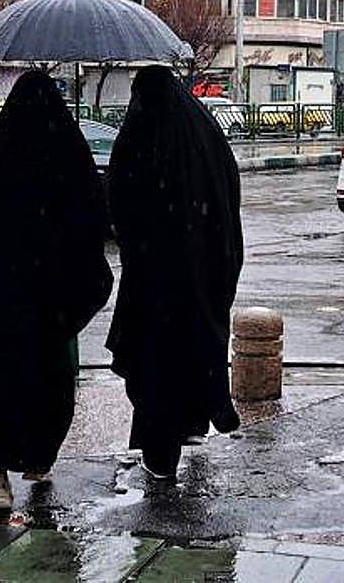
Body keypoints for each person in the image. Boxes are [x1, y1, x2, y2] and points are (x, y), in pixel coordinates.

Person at [0, 70, 113, 513]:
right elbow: (93, 221)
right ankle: (37, 457)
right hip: (44, 301)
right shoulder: (66, 150)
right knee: (43, 384)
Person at [105, 66, 244, 481]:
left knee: (156, 363)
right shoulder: (202, 130)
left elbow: (120, 199)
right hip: (204, 271)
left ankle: (160, 450)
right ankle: (197, 417)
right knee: (195, 348)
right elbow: (227, 194)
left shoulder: (140, 135)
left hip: (154, 278)